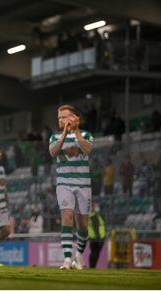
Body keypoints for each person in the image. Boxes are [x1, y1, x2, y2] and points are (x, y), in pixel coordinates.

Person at [49, 105, 93, 270]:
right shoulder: (55, 137)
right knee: (67, 217)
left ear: (75, 118)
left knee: (82, 225)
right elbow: (53, 153)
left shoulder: (86, 135)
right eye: (59, 118)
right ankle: (67, 260)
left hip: (83, 185)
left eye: (65, 117)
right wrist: (65, 134)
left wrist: (76, 133)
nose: (61, 120)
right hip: (64, 184)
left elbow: (87, 150)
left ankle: (78, 256)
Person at [88, 202, 106, 268]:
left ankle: (93, 267)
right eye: (96, 206)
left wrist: (103, 237)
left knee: (96, 254)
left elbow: (103, 227)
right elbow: (96, 228)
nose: (97, 207)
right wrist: (99, 238)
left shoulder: (99, 216)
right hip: (95, 238)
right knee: (94, 253)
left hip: (100, 238)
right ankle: (92, 267)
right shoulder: (93, 217)